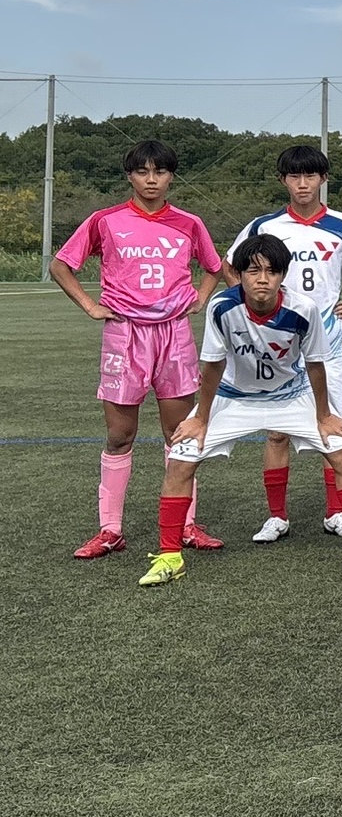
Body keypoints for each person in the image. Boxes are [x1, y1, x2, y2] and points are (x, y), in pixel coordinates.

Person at [136, 235, 342, 586]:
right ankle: (169, 556)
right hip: (233, 397)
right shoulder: (221, 307)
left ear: (283, 275)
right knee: (181, 458)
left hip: (291, 395)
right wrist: (201, 419)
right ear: (239, 274)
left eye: (272, 271)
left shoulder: (303, 309)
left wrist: (324, 416)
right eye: (253, 271)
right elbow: (213, 365)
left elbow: (315, 364)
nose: (262, 279)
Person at [50, 139, 225, 559]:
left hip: (174, 334)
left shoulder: (189, 223)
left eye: (160, 172)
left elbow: (215, 267)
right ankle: (110, 529)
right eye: (142, 171)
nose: (151, 180)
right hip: (125, 334)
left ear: (171, 177)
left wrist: (200, 297)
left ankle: (185, 525)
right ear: (129, 176)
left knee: (179, 434)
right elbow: (60, 265)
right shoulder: (105, 220)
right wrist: (91, 306)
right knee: (119, 435)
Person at [226, 145, 342, 543]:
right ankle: (277, 516)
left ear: (323, 179)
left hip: (331, 341)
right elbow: (230, 265)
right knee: (277, 432)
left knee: (335, 427)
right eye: (294, 176)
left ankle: (336, 511)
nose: (303, 183)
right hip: (280, 345)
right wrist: (251, 306)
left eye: (310, 175)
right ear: (283, 180)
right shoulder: (264, 226)